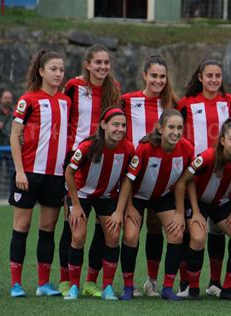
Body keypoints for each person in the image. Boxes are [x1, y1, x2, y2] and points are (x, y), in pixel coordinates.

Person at [58, 44, 121, 297]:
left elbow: (118, 120)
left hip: (104, 161)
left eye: (106, 62)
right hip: (76, 161)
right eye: (98, 63)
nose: (103, 67)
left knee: (103, 228)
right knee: (72, 224)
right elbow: (63, 116)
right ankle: (65, 280)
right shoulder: (74, 86)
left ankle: (91, 282)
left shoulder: (114, 88)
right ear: (87, 64)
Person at [175, 118, 231, 300]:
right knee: (197, 237)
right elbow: (183, 181)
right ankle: (193, 289)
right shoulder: (207, 157)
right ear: (222, 140)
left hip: (221, 203)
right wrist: (192, 212)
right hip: (198, 201)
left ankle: (228, 289)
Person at [8, 49, 71, 298]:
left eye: (61, 69)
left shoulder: (66, 101)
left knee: (47, 228)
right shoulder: (28, 99)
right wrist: (19, 171)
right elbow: (14, 135)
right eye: (53, 69)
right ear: (41, 71)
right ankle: (16, 284)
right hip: (29, 174)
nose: (58, 73)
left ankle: (43, 284)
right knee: (21, 227)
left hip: (55, 176)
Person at [119, 109, 194, 301]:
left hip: (163, 196)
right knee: (130, 235)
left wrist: (179, 211)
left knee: (176, 233)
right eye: (171, 127)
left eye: (179, 128)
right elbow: (127, 179)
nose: (175, 132)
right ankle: (128, 286)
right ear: (160, 129)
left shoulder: (186, 148)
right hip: (137, 196)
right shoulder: (145, 148)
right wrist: (128, 208)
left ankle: (167, 288)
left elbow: (185, 181)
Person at [176, 58, 231, 297]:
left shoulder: (229, 103)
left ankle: (215, 282)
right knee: (191, 233)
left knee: (217, 231)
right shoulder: (186, 104)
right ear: (200, 78)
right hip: (194, 177)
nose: (213, 80)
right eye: (209, 76)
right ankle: (186, 282)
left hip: (221, 178)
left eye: (217, 76)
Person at [120, 55, 178, 297]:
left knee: (156, 227)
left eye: (162, 76)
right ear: (144, 76)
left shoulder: (172, 103)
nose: (158, 80)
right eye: (153, 75)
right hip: (132, 181)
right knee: (130, 233)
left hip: (161, 182)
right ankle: (127, 285)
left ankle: (152, 282)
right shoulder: (127, 100)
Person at [63, 107, 135, 300]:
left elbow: (128, 180)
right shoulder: (88, 146)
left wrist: (120, 210)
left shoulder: (128, 148)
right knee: (78, 236)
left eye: (123, 125)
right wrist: (76, 205)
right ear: (103, 125)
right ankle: (74, 287)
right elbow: (69, 173)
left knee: (112, 234)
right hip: (81, 194)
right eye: (115, 125)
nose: (120, 129)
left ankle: (107, 287)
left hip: (107, 196)